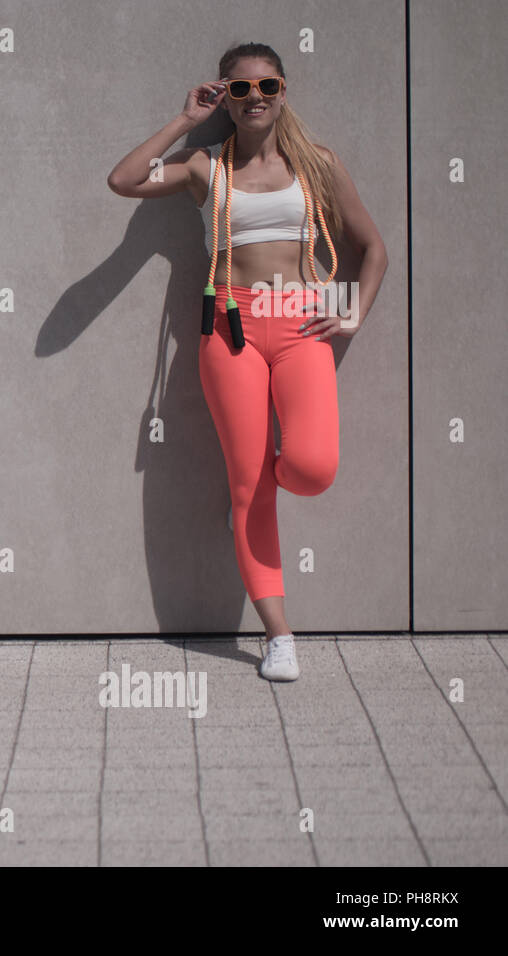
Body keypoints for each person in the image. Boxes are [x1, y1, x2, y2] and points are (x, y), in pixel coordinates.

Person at [106, 42, 388, 681]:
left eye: (267, 86)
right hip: (226, 331)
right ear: (224, 98)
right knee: (248, 487)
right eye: (240, 89)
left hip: (299, 326)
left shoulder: (316, 164)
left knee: (313, 468)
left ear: (284, 90)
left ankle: (267, 482)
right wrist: (184, 120)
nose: (255, 97)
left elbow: (373, 249)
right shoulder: (206, 167)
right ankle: (279, 635)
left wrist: (353, 312)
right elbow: (123, 180)